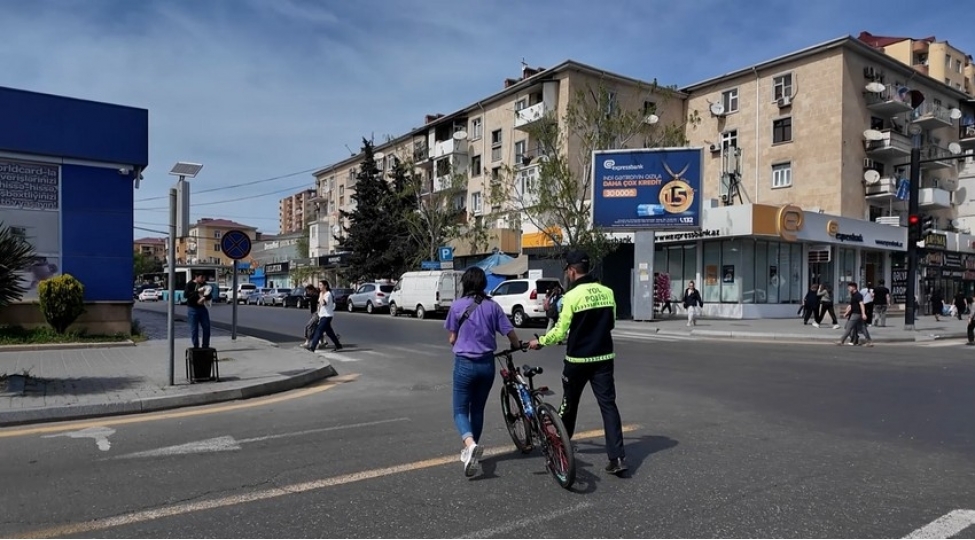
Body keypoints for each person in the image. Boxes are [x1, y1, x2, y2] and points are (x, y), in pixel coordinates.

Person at [529, 250, 627, 476]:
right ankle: (618, 458)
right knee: (608, 406)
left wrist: (540, 342)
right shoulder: (608, 292)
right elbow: (611, 323)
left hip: (578, 360)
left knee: (569, 404)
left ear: (572, 271)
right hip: (603, 359)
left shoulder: (571, 297)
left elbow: (559, 332)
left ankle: (562, 443)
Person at [444, 267, 521, 477]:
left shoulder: (457, 306)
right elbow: (511, 334)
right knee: (477, 409)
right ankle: (472, 452)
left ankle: (469, 445)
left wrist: (457, 342)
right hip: (487, 365)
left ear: (465, 284)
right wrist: (516, 345)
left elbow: (452, 338)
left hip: (464, 365)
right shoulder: (493, 307)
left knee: (460, 410)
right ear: (483, 284)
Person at [307, 280, 342, 352]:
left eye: (321, 285)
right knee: (329, 332)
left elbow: (323, 303)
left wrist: (322, 295)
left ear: (325, 286)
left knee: (318, 331)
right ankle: (338, 345)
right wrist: (318, 312)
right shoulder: (321, 293)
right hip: (322, 315)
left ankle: (312, 347)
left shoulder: (328, 294)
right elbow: (319, 304)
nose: (319, 287)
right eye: (319, 285)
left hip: (327, 316)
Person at [838, 281, 873, 347]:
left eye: (849, 287)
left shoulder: (858, 295)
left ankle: (841, 340)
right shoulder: (853, 295)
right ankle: (868, 341)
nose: (848, 289)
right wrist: (846, 313)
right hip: (855, 314)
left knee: (848, 327)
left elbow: (861, 304)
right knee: (863, 328)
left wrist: (863, 314)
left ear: (854, 287)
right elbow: (851, 306)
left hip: (856, 314)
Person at [184, 273, 213, 349]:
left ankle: (205, 346)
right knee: (194, 328)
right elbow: (186, 295)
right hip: (193, 308)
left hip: (202, 308)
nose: (203, 279)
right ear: (196, 277)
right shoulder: (190, 284)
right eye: (201, 277)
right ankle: (196, 346)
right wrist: (197, 292)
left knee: (206, 327)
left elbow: (210, 294)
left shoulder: (204, 284)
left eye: (204, 278)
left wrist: (204, 298)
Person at [302, 284, 321, 349]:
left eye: (308, 291)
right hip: (313, 313)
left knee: (308, 326)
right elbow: (306, 297)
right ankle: (317, 342)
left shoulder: (315, 296)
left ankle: (308, 341)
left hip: (316, 314)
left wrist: (318, 312)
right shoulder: (313, 295)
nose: (307, 292)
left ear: (311, 290)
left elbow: (319, 304)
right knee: (315, 328)